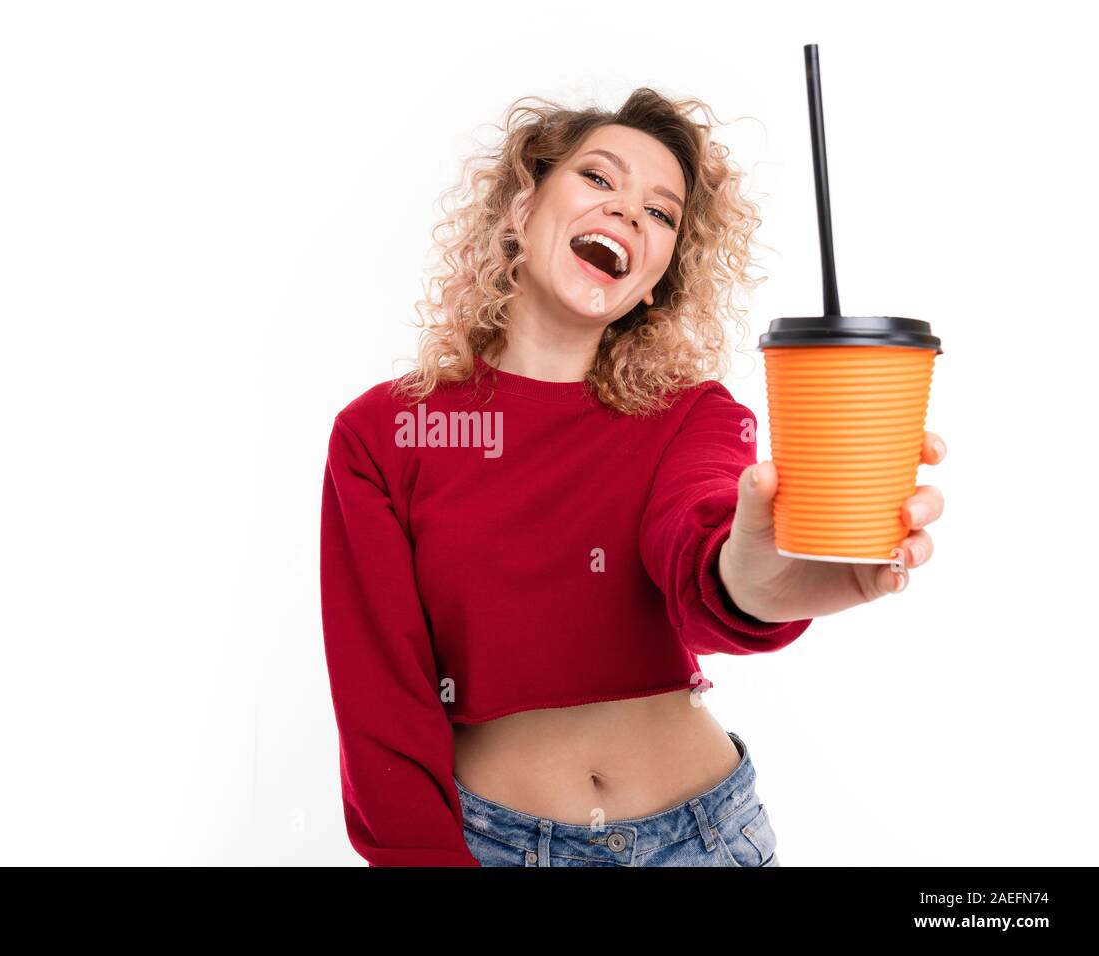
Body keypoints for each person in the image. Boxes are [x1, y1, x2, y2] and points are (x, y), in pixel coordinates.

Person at [318, 87, 947, 867]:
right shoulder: (384, 435)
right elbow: (384, 705)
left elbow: (701, 550)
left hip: (710, 839)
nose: (626, 214)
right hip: (497, 848)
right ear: (519, 209)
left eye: (660, 213)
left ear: (652, 280)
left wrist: (762, 580)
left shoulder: (695, 416)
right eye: (598, 179)